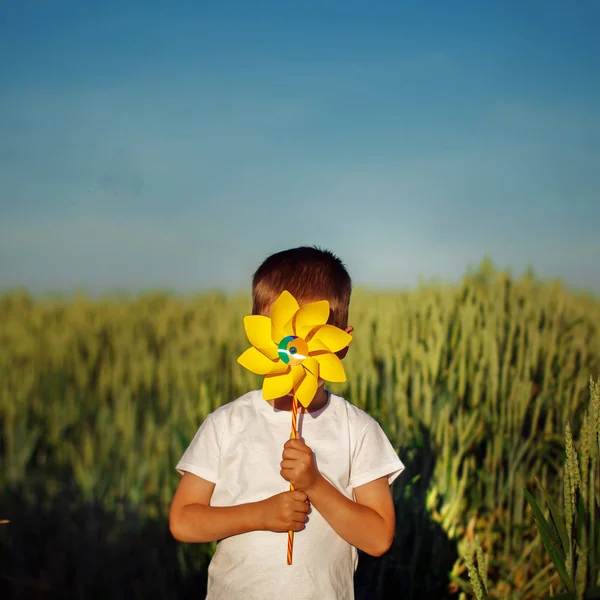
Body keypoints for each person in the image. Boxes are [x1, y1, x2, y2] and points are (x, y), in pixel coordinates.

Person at [169, 246, 405, 599]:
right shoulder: (226, 424)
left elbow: (378, 537)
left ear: (339, 344)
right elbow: (183, 521)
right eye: (284, 339)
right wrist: (261, 514)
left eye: (310, 339)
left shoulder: (358, 430)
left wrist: (315, 484)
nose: (295, 354)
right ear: (260, 336)